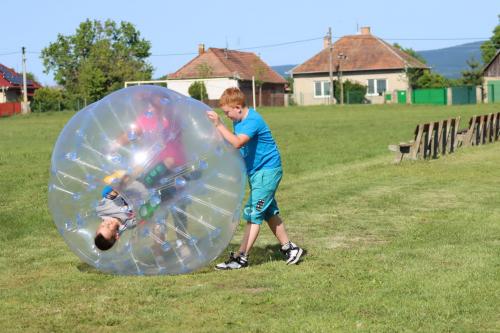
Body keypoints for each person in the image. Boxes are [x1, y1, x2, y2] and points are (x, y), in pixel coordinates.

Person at [207, 87, 304, 270]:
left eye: (228, 112)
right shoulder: (239, 120)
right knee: (268, 212)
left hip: (267, 172)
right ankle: (290, 248)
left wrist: (219, 125)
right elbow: (239, 148)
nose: (227, 116)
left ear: (238, 107)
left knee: (254, 212)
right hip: (256, 173)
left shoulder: (252, 120)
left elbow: (237, 143)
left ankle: (241, 257)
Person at [94, 185, 138, 251]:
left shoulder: (102, 209)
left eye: (102, 225)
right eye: (109, 227)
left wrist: (113, 192)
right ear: (116, 235)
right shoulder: (129, 223)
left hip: (130, 183)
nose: (107, 223)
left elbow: (112, 188)